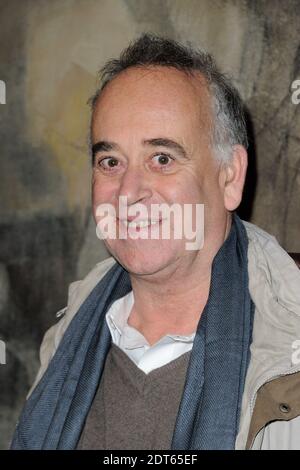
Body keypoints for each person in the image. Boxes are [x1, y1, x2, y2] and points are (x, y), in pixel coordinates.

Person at [11, 33, 300, 450]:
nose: (128, 193)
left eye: (162, 158)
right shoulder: (68, 333)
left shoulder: (286, 352)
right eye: (110, 162)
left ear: (230, 176)